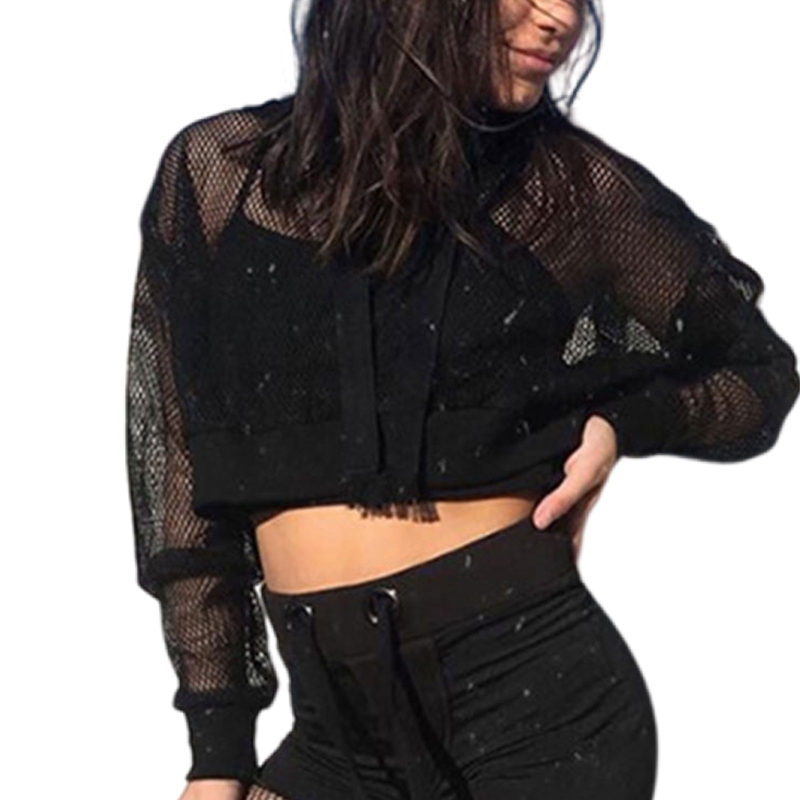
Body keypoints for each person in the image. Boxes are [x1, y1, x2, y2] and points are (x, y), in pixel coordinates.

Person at [125, 1, 799, 799]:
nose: (561, 18)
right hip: (334, 742)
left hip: (538, 719)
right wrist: (218, 756)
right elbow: (181, 471)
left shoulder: (563, 191)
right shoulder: (222, 174)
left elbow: (758, 373)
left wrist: (623, 425)